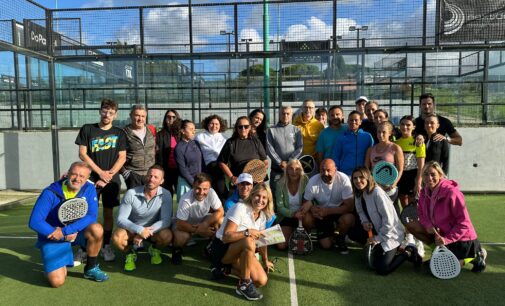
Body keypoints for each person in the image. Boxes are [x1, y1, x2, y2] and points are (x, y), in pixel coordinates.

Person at [28, 161, 109, 287]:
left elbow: (91, 216)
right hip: (53, 236)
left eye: (82, 176)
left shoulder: (89, 188)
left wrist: (67, 231)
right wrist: (61, 234)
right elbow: (35, 221)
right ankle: (53, 266)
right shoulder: (50, 192)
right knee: (57, 282)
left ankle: (90, 268)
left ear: (88, 178)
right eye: (74, 174)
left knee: (96, 229)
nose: (77, 178)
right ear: (67, 174)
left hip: (74, 233)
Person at [406, 161, 487, 273]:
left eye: (433, 174)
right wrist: (428, 225)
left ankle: (476, 256)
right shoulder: (424, 192)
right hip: (442, 235)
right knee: (412, 225)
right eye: (425, 174)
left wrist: (446, 239)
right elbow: (421, 214)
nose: (429, 178)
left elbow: (464, 224)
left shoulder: (452, 193)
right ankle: (439, 252)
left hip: (463, 240)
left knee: (441, 269)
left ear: (440, 175)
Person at [75, 98, 127, 262]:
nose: (107, 114)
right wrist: (99, 173)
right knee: (87, 213)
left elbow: (122, 157)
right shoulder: (88, 129)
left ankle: (105, 246)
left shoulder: (119, 133)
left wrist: (108, 176)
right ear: (100, 111)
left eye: (111, 112)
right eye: (105, 111)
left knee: (108, 212)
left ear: (115, 115)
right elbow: (82, 154)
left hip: (111, 180)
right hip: (90, 179)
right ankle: (84, 248)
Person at [209, 183, 275, 301]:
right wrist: (247, 232)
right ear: (252, 195)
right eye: (257, 196)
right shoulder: (240, 207)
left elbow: (262, 240)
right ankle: (243, 285)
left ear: (268, 200)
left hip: (242, 251)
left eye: (264, 197)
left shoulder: (263, 215)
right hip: (223, 249)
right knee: (249, 241)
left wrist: (265, 261)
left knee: (261, 281)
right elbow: (226, 237)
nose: (260, 200)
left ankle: (225, 270)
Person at [352, 166, 422, 275]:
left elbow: (389, 221)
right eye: (355, 178)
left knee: (382, 269)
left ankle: (408, 252)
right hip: (377, 231)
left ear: (368, 178)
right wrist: (365, 223)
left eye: (361, 177)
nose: (358, 181)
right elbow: (360, 211)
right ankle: (394, 251)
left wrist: (377, 238)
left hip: (391, 234)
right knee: (371, 261)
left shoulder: (377, 193)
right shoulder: (358, 193)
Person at [112, 165, 173, 271]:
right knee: (117, 237)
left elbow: (166, 220)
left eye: (155, 177)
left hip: (153, 231)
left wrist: (143, 234)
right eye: (150, 175)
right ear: (146, 177)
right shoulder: (131, 193)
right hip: (132, 230)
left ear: (162, 181)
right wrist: (139, 230)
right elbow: (120, 219)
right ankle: (130, 253)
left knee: (167, 235)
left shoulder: (166, 194)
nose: (151, 179)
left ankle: (154, 249)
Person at [300, 159, 355, 253]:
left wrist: (328, 211)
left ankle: (340, 238)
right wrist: (312, 208)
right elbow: (305, 202)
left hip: (338, 211)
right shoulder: (313, 180)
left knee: (349, 218)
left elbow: (349, 207)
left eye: (328, 170)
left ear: (335, 170)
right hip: (320, 214)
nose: (325, 173)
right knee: (326, 245)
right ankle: (308, 234)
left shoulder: (344, 179)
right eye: (322, 170)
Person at [173, 173, 224, 265]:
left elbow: (220, 211)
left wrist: (205, 224)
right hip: (186, 224)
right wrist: (200, 231)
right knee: (182, 237)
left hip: (202, 221)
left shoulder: (211, 192)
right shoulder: (185, 199)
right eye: (198, 188)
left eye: (205, 189)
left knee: (221, 221)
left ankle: (210, 248)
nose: (201, 192)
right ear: (193, 185)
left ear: (210, 187)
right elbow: (180, 224)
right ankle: (177, 251)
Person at [218, 116, 268, 186]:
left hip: (256, 183)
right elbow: (222, 162)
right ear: (236, 128)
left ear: (250, 127)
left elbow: (265, 160)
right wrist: (231, 177)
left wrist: (261, 174)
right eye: (240, 127)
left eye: (246, 126)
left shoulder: (256, 141)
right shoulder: (231, 143)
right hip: (239, 183)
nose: (243, 129)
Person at [275, 159, 311, 250]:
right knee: (281, 246)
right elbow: (280, 208)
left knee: (308, 218)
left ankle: (307, 231)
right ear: (287, 170)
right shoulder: (280, 184)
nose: (294, 172)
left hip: (302, 216)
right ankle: (291, 232)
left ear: (301, 170)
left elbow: (312, 199)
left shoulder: (306, 180)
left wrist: (305, 208)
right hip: (286, 217)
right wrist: (294, 214)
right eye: (291, 169)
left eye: (297, 169)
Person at [266, 106, 303, 194]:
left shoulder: (296, 130)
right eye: (283, 113)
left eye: (288, 114)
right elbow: (269, 148)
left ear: (291, 115)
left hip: (292, 169)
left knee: (292, 192)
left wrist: (290, 161)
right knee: (276, 192)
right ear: (279, 115)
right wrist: (280, 162)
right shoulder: (271, 130)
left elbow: (300, 147)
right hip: (277, 170)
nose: (285, 116)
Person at [365, 121, 404, 196]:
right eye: (378, 132)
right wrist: (373, 182)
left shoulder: (395, 148)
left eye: (384, 132)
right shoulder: (370, 149)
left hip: (389, 186)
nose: (380, 134)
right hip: (374, 185)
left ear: (389, 133)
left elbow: (400, 169)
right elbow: (366, 168)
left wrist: (393, 184)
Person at [195, 114, 229, 201]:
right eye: (211, 123)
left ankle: (223, 208)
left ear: (220, 125)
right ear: (207, 124)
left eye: (217, 124)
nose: (214, 126)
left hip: (220, 168)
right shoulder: (200, 136)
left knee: (220, 190)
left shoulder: (224, 138)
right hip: (207, 168)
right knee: (209, 191)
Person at [122, 104, 156, 189]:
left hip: (150, 174)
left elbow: (156, 149)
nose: (140, 119)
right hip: (133, 174)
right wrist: (124, 172)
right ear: (131, 116)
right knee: (135, 201)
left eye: (143, 116)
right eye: (137, 115)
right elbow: (116, 155)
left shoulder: (151, 129)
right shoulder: (123, 133)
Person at [331, 111, 374, 177]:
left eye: (356, 120)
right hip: (345, 174)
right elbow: (336, 156)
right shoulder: (341, 137)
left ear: (360, 122)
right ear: (347, 121)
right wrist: (338, 172)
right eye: (351, 120)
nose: (353, 122)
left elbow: (372, 154)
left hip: (362, 174)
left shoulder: (367, 136)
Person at [395, 115, 425, 205]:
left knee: (414, 205)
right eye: (402, 124)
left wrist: (418, 181)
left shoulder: (418, 141)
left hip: (413, 175)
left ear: (414, 127)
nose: (405, 127)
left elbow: (421, 164)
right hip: (400, 175)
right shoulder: (396, 142)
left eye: (408, 125)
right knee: (403, 202)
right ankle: (405, 219)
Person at [174, 119, 204, 201]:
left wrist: (201, 180)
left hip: (199, 181)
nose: (193, 131)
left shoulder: (196, 143)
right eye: (191, 129)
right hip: (186, 183)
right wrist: (194, 183)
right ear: (183, 131)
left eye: (194, 129)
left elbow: (201, 162)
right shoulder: (179, 148)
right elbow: (182, 170)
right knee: (185, 210)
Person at [156, 109, 181, 194]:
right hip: (165, 171)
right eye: (168, 117)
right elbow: (157, 155)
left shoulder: (181, 134)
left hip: (179, 171)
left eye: (174, 117)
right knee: (166, 196)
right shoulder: (159, 135)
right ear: (165, 119)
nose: (171, 119)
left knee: (182, 196)